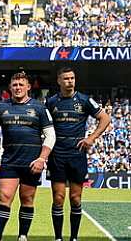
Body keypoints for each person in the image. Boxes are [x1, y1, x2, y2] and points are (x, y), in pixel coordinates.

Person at [0, 72, 55, 241]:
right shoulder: (1, 106)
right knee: (4, 198)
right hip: (9, 161)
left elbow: (50, 135)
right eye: (14, 85)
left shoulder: (39, 107)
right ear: (10, 87)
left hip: (32, 163)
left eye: (21, 84)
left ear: (28, 87)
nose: (18, 88)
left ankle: (23, 236)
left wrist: (42, 159)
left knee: (27, 199)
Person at [46, 67, 111, 241]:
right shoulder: (51, 102)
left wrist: (91, 137)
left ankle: (74, 238)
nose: (70, 81)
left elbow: (105, 118)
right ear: (59, 81)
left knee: (75, 198)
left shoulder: (84, 100)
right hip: (57, 154)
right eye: (66, 78)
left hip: (77, 154)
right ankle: (58, 238)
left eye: (72, 78)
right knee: (58, 198)